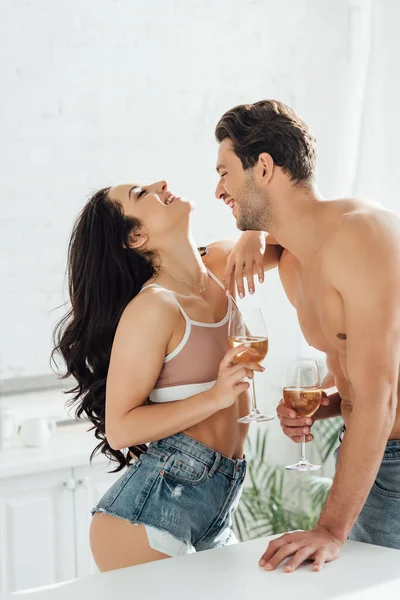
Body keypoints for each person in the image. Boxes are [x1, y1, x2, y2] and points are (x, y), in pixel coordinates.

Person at [52, 180, 281, 571]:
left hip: (218, 501)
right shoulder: (153, 307)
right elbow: (120, 429)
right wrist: (214, 397)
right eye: (141, 195)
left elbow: (290, 242)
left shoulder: (216, 266)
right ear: (137, 236)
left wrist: (254, 232)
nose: (161, 184)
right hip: (148, 517)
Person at [213, 100, 400, 572]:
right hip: (366, 458)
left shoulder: (365, 235)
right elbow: (366, 379)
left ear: (264, 167)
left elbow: (382, 396)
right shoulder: (293, 256)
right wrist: (329, 402)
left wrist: (330, 529)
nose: (219, 189)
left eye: (225, 173)